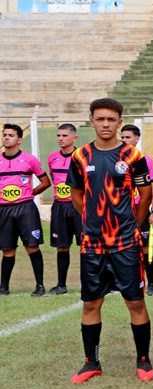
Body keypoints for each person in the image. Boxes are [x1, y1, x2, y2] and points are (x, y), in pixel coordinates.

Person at [68, 98, 153, 384]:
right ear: (91, 120)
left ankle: (143, 360)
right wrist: (93, 221)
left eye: (111, 119)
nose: (105, 124)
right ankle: (91, 362)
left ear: (119, 122)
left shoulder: (132, 156)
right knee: (91, 303)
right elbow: (77, 196)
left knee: (135, 302)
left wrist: (134, 224)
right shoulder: (80, 157)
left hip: (125, 243)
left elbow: (145, 196)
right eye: (100, 119)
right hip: (92, 244)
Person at [0, 123, 50, 296]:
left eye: (11, 135)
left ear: (19, 139)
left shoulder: (30, 159)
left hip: (25, 209)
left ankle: (40, 285)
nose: (6, 138)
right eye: (4, 134)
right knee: (7, 250)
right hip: (4, 210)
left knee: (32, 247)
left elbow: (46, 182)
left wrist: (29, 193)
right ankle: (3, 287)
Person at [120, 125, 153, 296]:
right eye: (122, 137)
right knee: (121, 248)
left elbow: (152, 187)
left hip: (141, 211)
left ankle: (150, 283)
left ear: (137, 139)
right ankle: (125, 281)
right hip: (121, 211)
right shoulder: (117, 161)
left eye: (128, 137)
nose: (124, 141)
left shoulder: (146, 160)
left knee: (144, 249)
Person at [47, 123, 81, 295]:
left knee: (86, 246)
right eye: (58, 135)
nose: (60, 138)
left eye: (64, 136)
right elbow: (54, 178)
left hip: (79, 207)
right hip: (60, 206)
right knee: (62, 247)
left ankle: (89, 283)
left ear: (74, 138)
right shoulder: (52, 157)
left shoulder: (83, 156)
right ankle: (61, 285)